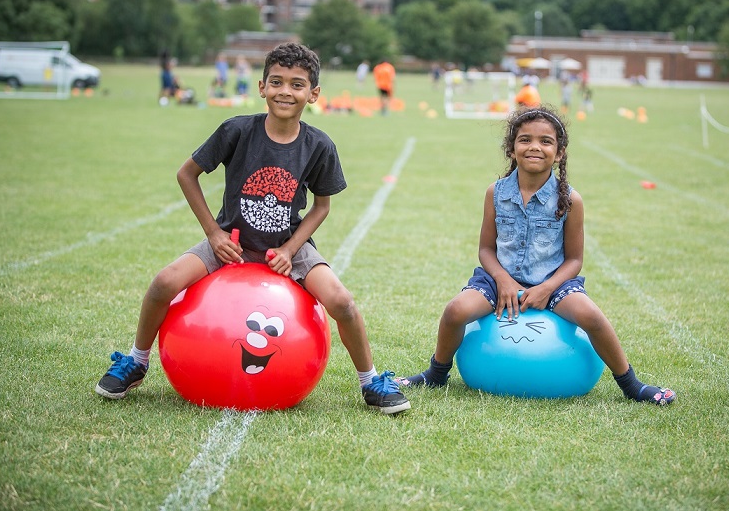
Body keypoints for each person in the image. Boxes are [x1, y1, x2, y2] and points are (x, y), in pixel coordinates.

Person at [96, 42, 410, 415]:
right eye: (276, 82)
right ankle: (137, 361)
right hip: (230, 242)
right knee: (164, 282)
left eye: (297, 84)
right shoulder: (236, 131)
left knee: (342, 302)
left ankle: (371, 381)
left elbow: (321, 206)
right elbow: (186, 175)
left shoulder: (319, 146)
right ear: (261, 87)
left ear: (314, 93)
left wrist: (292, 249)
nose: (285, 92)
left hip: (289, 248)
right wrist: (214, 233)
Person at [397, 106, 676, 406]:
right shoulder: (496, 193)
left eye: (545, 141)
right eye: (525, 139)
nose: (534, 147)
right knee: (455, 311)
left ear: (559, 153)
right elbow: (486, 250)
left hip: (553, 280)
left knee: (592, 317)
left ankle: (631, 384)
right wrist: (502, 279)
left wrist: (546, 288)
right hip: (498, 279)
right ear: (511, 148)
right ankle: (436, 374)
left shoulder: (570, 200)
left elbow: (574, 260)